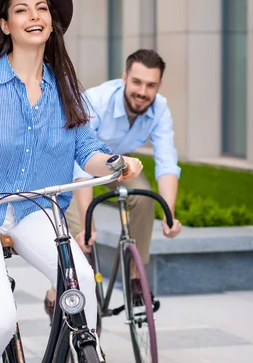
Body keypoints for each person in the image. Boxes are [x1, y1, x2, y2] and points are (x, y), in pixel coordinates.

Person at [0, 0, 143, 363]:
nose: (34, 16)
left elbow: (87, 150)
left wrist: (116, 165)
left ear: (52, 23)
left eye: (42, 8)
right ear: (6, 25)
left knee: (83, 286)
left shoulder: (64, 87)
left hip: (35, 211)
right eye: (22, 9)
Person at [43, 49, 183, 319]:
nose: (142, 91)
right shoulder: (96, 102)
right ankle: (55, 294)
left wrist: (169, 213)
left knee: (143, 197)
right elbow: (79, 166)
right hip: (73, 159)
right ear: (124, 79)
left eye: (151, 85)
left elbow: (167, 162)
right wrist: (87, 221)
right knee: (81, 237)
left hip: (115, 164)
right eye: (137, 82)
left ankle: (135, 279)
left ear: (159, 86)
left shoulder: (160, 108)